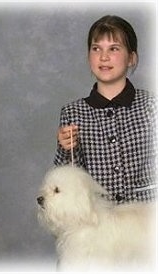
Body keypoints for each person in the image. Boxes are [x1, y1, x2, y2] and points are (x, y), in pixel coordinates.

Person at [54, 15, 156, 203]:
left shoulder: (151, 105)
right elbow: (67, 182)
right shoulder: (72, 112)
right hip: (98, 222)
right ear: (88, 57)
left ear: (132, 58)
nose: (103, 57)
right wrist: (65, 148)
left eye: (114, 49)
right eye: (96, 49)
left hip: (147, 218)